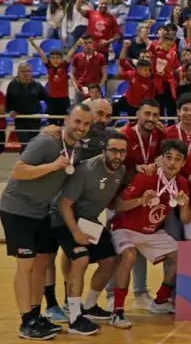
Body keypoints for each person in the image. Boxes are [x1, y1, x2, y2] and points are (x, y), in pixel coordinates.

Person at [0, 104, 92, 340]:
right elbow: (18, 171)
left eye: (86, 124)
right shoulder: (46, 142)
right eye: (77, 121)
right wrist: (52, 166)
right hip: (17, 210)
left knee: (41, 262)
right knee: (26, 264)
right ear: (66, 120)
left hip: (40, 212)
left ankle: (35, 313)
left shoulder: (77, 150)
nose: (81, 127)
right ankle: (25, 322)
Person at [109, 139, 191, 328]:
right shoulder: (146, 176)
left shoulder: (182, 183)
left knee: (183, 257)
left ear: (183, 163)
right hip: (125, 228)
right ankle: (118, 312)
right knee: (129, 257)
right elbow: (119, 205)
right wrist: (140, 200)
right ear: (161, 159)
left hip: (152, 232)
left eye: (178, 159)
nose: (172, 163)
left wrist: (185, 204)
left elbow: (186, 219)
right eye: (168, 157)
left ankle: (160, 301)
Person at [51, 133, 127, 335]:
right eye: (113, 150)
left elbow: (110, 199)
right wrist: (75, 232)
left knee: (110, 260)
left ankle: (89, 306)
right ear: (104, 151)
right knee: (81, 259)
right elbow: (64, 205)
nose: (117, 156)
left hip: (89, 221)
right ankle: (75, 318)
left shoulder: (121, 171)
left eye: (122, 151)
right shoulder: (86, 170)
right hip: (63, 218)